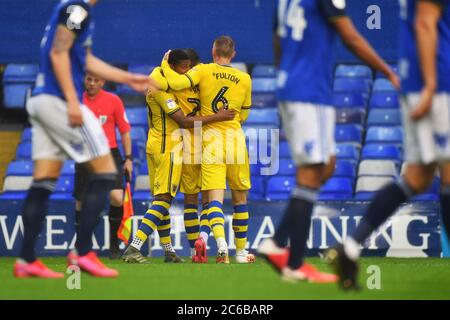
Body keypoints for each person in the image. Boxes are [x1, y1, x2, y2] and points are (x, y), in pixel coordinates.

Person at [256, 0, 400, 283]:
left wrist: (287, 77)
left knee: (326, 166)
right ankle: (293, 262)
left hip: (294, 87)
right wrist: (387, 70)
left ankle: (277, 243)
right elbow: (350, 36)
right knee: (311, 174)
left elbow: (277, 42)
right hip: (309, 91)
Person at [13, 0, 155, 278]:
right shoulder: (78, 7)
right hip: (59, 102)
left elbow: (84, 60)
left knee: (43, 181)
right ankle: (83, 252)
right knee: (105, 173)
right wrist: (72, 101)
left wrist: (127, 78)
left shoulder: (69, 9)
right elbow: (58, 52)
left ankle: (27, 258)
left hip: (42, 101)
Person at [326, 0, 450, 290]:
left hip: (414, 82)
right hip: (437, 84)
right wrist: (431, 84)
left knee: (417, 178)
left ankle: (352, 245)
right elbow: (424, 23)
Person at [122, 49, 235, 263]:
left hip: (156, 142)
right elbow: (182, 121)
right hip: (169, 146)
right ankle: (134, 246)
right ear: (171, 66)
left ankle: (168, 251)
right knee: (164, 199)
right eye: (184, 67)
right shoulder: (160, 87)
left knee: (161, 197)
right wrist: (217, 116)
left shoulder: (167, 81)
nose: (187, 72)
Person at [160, 36, 256, 264]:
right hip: (235, 138)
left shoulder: (203, 71)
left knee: (214, 199)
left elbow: (176, 84)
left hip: (210, 139)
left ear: (214, 52)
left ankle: (221, 246)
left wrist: (165, 64)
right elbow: (244, 114)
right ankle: (241, 253)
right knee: (240, 198)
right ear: (233, 54)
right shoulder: (245, 79)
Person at [73, 73, 133, 260]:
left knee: (116, 197)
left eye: (95, 80)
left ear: (103, 82)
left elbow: (124, 131)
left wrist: (128, 158)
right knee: (81, 201)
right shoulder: (76, 100)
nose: (91, 83)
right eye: (88, 79)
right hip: (85, 155)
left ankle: (114, 243)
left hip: (110, 154)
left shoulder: (114, 100)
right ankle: (83, 246)